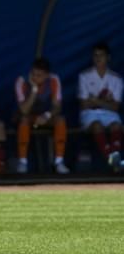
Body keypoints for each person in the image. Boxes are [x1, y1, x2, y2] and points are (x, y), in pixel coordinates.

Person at [15, 57, 69, 174]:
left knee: (60, 120)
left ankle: (59, 161)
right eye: (33, 74)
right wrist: (34, 90)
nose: (34, 77)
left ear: (46, 75)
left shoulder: (54, 80)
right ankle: (22, 162)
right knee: (23, 120)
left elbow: (57, 106)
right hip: (28, 116)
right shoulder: (22, 81)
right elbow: (23, 110)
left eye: (39, 75)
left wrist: (47, 115)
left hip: (45, 116)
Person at [77, 42, 123, 171]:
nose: (98, 58)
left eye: (101, 55)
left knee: (117, 126)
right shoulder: (84, 76)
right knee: (97, 125)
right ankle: (113, 161)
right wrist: (106, 102)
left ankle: (115, 158)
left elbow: (116, 107)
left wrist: (95, 100)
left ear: (108, 57)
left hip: (109, 114)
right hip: (89, 114)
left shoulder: (116, 78)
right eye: (95, 55)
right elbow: (84, 104)